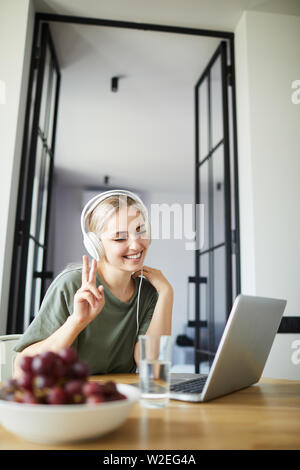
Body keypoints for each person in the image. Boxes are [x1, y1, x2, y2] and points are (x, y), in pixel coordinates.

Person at [13, 190, 174, 377]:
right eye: (120, 237)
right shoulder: (72, 285)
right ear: (95, 245)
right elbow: (21, 369)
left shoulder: (148, 293)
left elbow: (153, 369)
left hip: (118, 399)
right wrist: (76, 322)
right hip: (70, 399)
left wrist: (166, 293)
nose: (136, 245)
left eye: (141, 231)